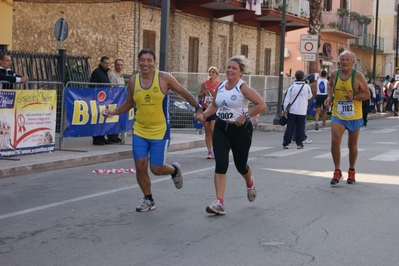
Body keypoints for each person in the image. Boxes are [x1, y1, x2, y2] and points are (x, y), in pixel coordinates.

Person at [103, 49, 203, 212]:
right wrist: (113, 112)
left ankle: (174, 170)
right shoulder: (133, 81)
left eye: (149, 60)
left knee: (156, 168)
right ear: (138, 62)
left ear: (154, 62)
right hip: (140, 130)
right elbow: (129, 103)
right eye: (142, 60)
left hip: (160, 131)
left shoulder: (164, 78)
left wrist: (199, 109)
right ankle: (148, 199)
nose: (145, 63)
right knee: (140, 165)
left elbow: (184, 92)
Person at [195, 55, 266, 215]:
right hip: (221, 128)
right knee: (221, 164)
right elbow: (214, 106)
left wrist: (245, 116)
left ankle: (249, 182)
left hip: (241, 130)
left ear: (241, 72)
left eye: (234, 68)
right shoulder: (220, 87)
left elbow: (261, 105)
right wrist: (204, 116)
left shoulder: (243, 88)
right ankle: (219, 202)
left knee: (241, 166)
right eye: (228, 67)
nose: (230, 70)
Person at [324, 50, 370, 185]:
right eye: (342, 60)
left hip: (354, 115)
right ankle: (337, 171)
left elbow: (367, 94)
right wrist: (329, 97)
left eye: (347, 60)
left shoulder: (358, 76)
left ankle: (351, 170)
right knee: (335, 140)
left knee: (352, 145)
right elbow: (330, 86)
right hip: (338, 114)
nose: (344, 62)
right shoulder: (334, 74)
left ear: (353, 62)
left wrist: (354, 97)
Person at [282, 70, 312, 149]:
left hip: (292, 110)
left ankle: (286, 143)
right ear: (303, 77)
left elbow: (286, 100)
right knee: (301, 127)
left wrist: (284, 109)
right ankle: (299, 143)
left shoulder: (292, 87)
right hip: (302, 110)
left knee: (290, 127)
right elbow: (310, 96)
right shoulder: (307, 87)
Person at [90, 56, 112, 145]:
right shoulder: (97, 72)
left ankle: (102, 136)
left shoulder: (105, 73)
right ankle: (96, 138)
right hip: (98, 99)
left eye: (108, 63)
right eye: (106, 63)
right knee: (98, 118)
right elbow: (92, 85)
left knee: (103, 118)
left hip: (105, 99)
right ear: (102, 63)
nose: (107, 65)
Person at [199, 66, 219, 159]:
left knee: (212, 129)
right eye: (210, 72)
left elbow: (220, 97)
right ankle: (209, 151)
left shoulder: (218, 85)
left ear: (216, 75)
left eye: (213, 72)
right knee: (207, 130)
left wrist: (212, 92)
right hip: (205, 109)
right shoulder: (205, 84)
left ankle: (216, 149)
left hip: (214, 109)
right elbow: (199, 95)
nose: (211, 74)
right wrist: (203, 92)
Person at [107, 58, 125, 143]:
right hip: (114, 99)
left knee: (118, 118)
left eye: (121, 65)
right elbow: (112, 88)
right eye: (118, 65)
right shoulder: (112, 75)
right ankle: (111, 136)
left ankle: (116, 135)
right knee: (112, 117)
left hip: (120, 99)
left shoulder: (121, 75)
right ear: (115, 65)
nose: (119, 66)